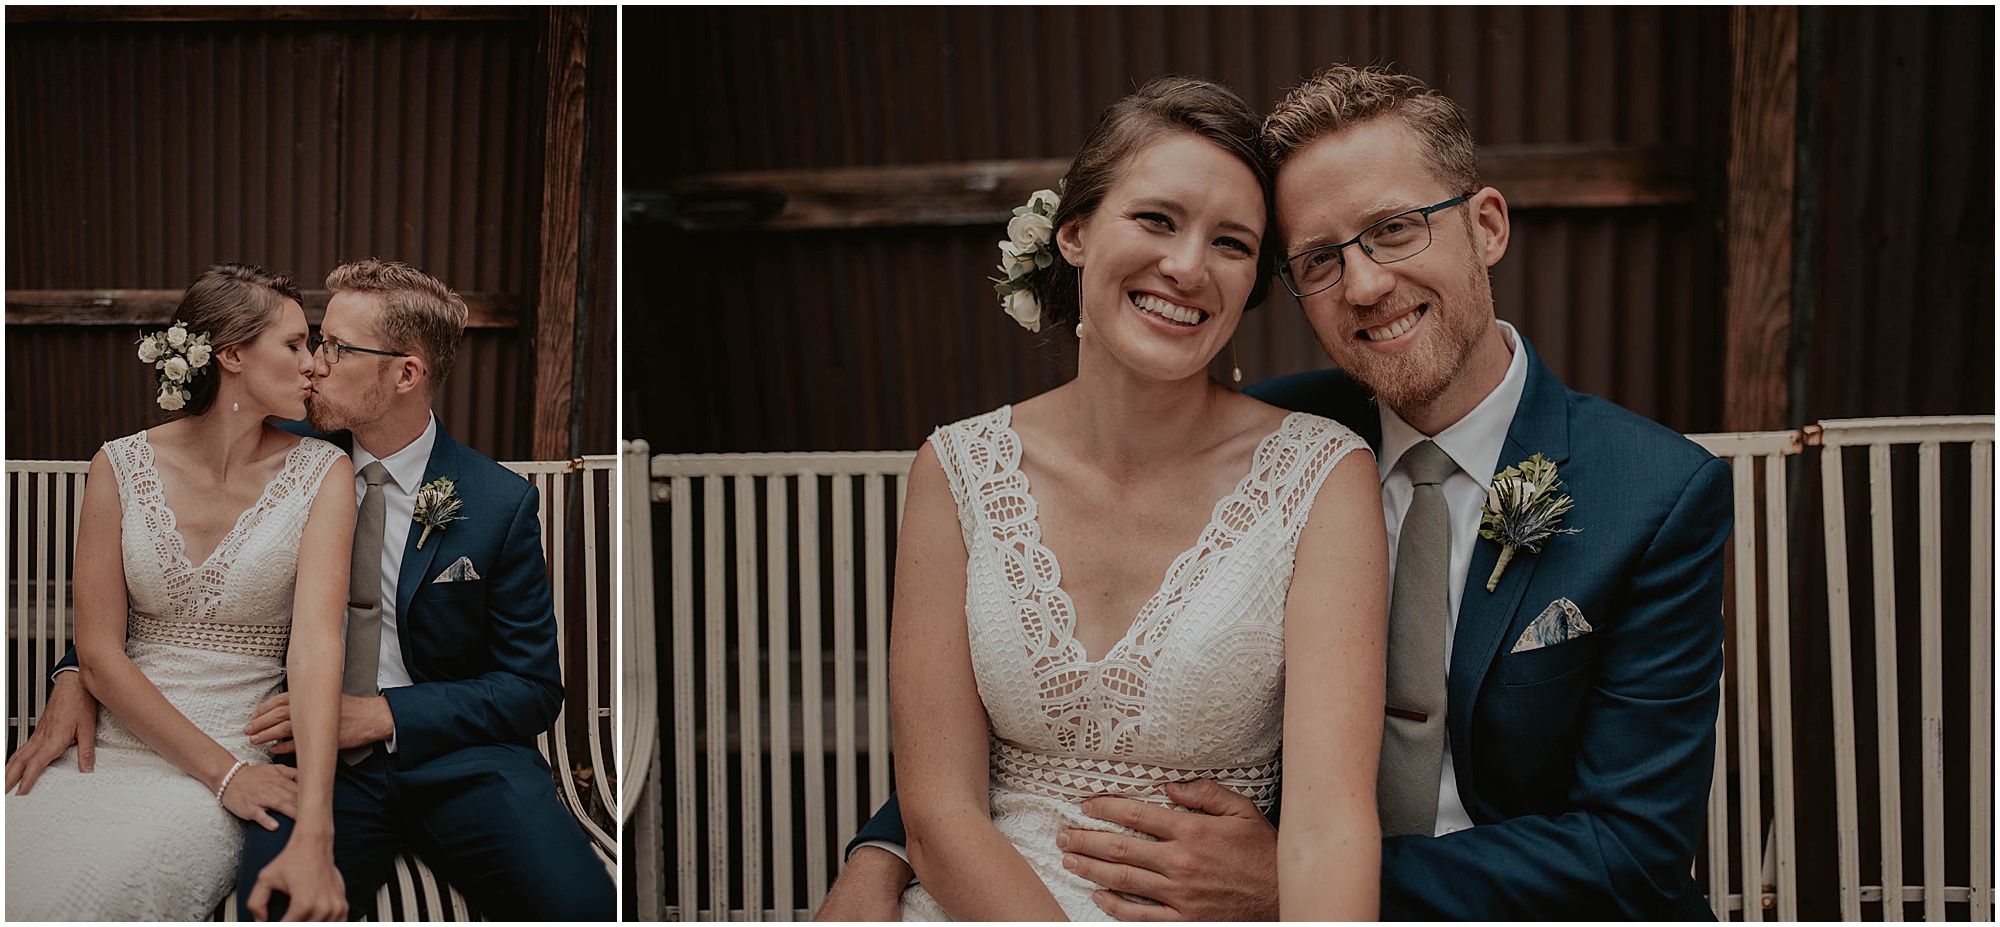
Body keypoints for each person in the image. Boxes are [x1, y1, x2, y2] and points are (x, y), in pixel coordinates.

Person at [822, 64, 1731, 921]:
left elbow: (1635, 848)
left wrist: (1278, 882)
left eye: (1394, 229)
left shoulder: (1653, 495)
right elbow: (1037, 712)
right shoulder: (1272, 441)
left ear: (1486, 225)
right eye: (1321, 259)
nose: (1367, 284)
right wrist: (885, 849)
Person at [840, 76, 1388, 922]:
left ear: (1251, 283)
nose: (1187, 266)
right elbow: (939, 811)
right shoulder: (956, 470)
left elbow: (1329, 822)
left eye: (1233, 244)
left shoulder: (1321, 476)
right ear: (1075, 232)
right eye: (1156, 219)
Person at [11, 259, 616, 921]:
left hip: (459, 761)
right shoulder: (280, 448)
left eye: (334, 347)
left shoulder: (498, 503)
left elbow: (532, 687)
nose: (316, 365)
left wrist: (383, 714)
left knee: (580, 904)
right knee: (274, 906)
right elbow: (175, 583)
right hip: (309, 757)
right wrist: (76, 670)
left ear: (405, 373)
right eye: (310, 343)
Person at [5, 263, 353, 920]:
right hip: (106, 745)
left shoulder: (323, 472)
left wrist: (243, 783)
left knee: (93, 897)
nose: (314, 365)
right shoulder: (117, 464)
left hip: (231, 756)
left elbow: (314, 645)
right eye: (294, 344)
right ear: (230, 355)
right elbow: (99, 651)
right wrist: (227, 775)